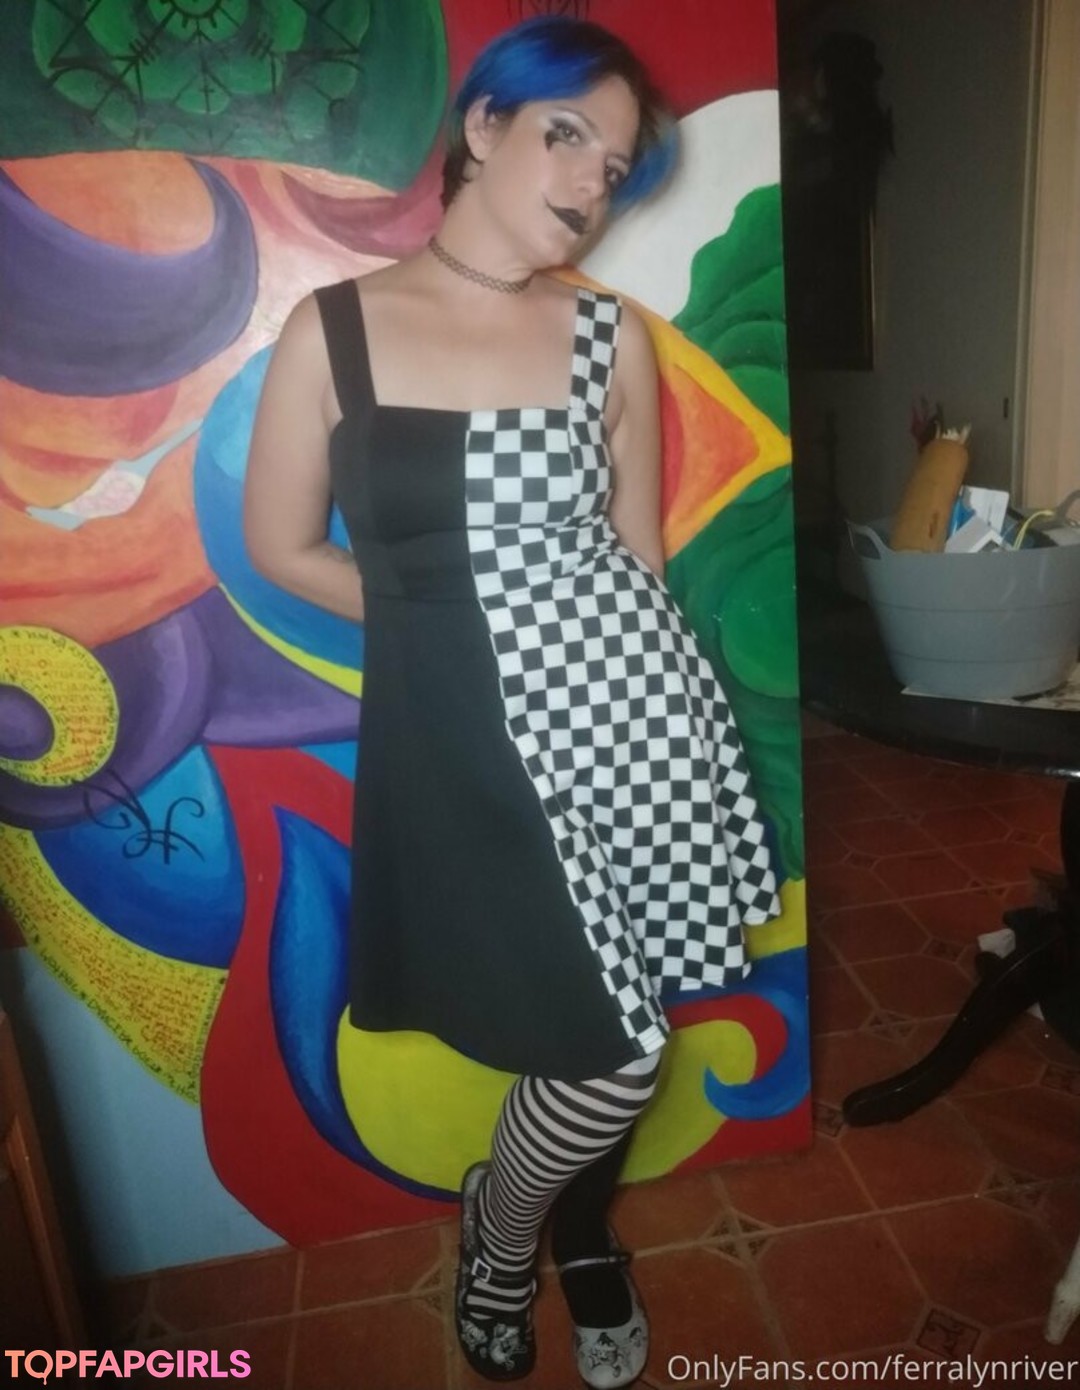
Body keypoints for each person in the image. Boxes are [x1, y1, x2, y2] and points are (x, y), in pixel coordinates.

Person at [244, 16, 779, 1387]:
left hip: (629, 716)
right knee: (611, 1048)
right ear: (482, 126)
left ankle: (566, 1227)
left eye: (617, 164)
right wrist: (453, 629)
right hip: (466, 748)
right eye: (567, 134)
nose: (592, 181)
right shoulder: (334, 332)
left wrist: (654, 723)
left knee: (611, 1013)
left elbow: (635, 561)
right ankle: (503, 1231)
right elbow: (281, 547)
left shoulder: (611, 337)